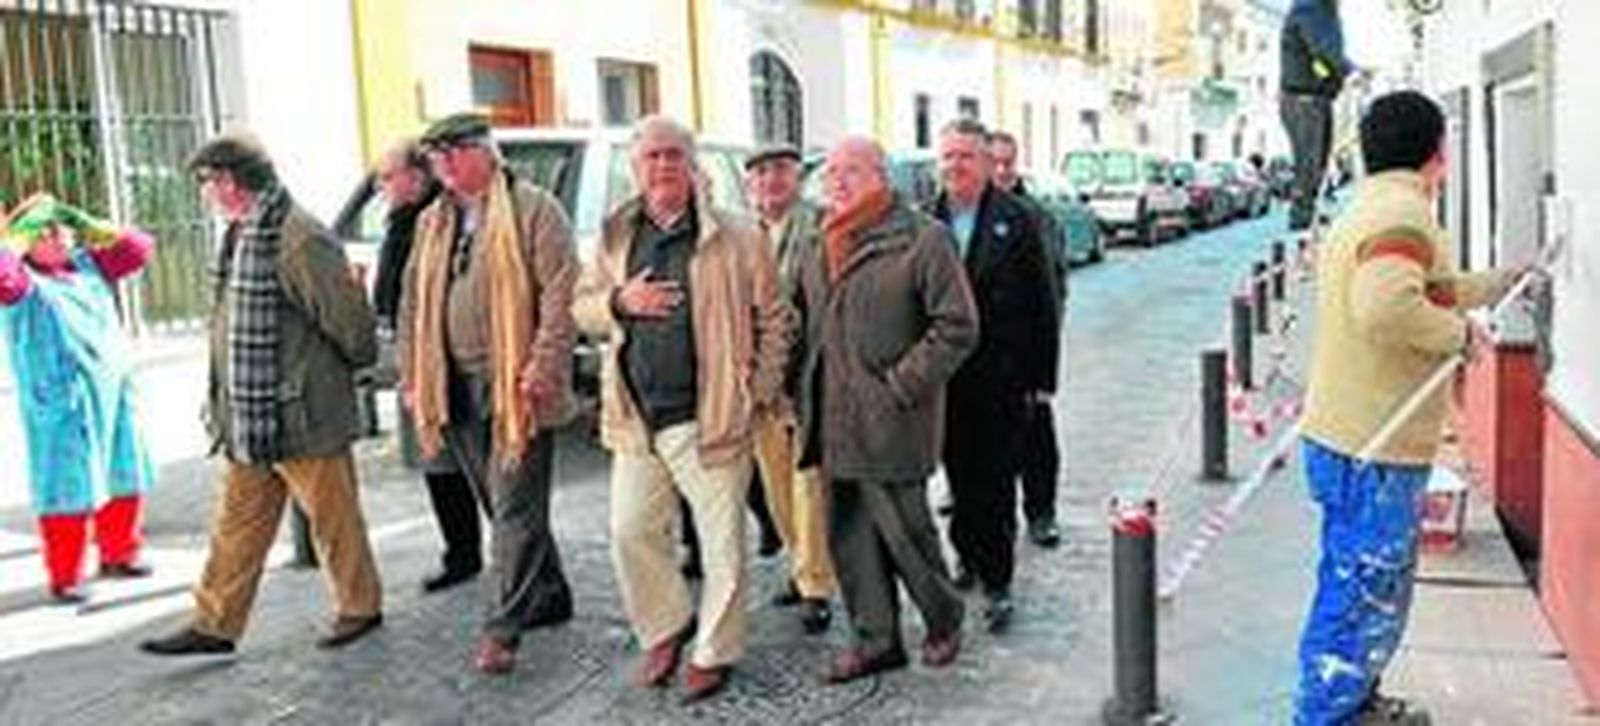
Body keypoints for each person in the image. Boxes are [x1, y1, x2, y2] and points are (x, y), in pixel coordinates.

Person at [1295, 91, 1522, 725]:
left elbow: (1426, 290)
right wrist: (1460, 335)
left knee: (1358, 578)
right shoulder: (1403, 213)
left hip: (1350, 434)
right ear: (1436, 151)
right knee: (1364, 587)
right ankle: (1329, 714)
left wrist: (1500, 282)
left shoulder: (1375, 205)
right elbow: (1387, 307)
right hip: (1375, 443)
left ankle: (1351, 699)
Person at [140, 134, 384, 656]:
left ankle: (360, 606)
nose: (204, 193)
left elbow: (352, 331)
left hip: (302, 413)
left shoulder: (299, 237)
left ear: (229, 181)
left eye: (207, 182)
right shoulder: (243, 232)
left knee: (333, 521)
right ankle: (215, 624)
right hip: (253, 418)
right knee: (237, 525)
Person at [573, 115, 788, 703]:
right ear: (635, 168)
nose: (663, 166)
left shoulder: (740, 235)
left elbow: (775, 322)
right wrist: (620, 300)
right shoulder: (616, 233)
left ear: (692, 165)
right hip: (636, 417)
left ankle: (715, 651)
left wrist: (757, 392)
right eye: (652, 157)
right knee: (629, 530)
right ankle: (665, 625)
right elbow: (581, 307)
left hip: (711, 416)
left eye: (674, 155)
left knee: (722, 545)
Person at [398, 112, 580, 675]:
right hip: (451, 384)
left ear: (486, 151)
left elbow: (559, 294)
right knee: (501, 504)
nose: (444, 166)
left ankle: (502, 629)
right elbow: (410, 304)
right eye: (435, 157)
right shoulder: (433, 219)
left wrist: (543, 365)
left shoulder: (534, 210)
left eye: (455, 152)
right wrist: (412, 373)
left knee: (515, 509)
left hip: (516, 384)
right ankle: (550, 594)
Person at [796, 135, 977, 684]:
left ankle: (944, 619)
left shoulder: (924, 239)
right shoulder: (818, 240)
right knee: (850, 538)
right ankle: (877, 642)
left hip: (894, 418)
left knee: (908, 533)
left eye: (851, 170)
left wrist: (900, 385)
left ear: (882, 176)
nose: (837, 181)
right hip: (833, 417)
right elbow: (807, 323)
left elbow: (958, 326)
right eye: (830, 172)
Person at [928, 120, 1058, 633]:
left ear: (986, 163)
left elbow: (1042, 302)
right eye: (948, 157)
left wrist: (1042, 378)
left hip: (1003, 375)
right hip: (947, 379)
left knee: (998, 482)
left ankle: (999, 581)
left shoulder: (1018, 219)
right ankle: (968, 556)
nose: (956, 165)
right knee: (959, 479)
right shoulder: (926, 220)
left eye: (966, 156)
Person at [0, 195, 157, 604]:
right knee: (66, 488)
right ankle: (65, 574)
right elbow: (3, 278)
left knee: (123, 473)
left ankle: (120, 553)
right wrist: (12, 241)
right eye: (42, 232)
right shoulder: (22, 284)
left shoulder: (89, 265)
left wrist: (87, 220)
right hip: (62, 403)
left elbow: (138, 249)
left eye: (60, 228)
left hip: (112, 392)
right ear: (24, 243)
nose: (55, 236)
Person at [360, 138, 482, 595]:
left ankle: (504, 563)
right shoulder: (403, 219)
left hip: (447, 357)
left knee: (471, 464)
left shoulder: (438, 218)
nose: (381, 186)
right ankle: (461, 554)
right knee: (437, 461)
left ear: (418, 176)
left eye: (388, 176)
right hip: (416, 357)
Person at [742, 141, 838, 634]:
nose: (769, 181)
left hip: (806, 378)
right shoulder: (741, 232)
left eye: (780, 171)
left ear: (798, 177)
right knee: (776, 485)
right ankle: (799, 566)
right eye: (759, 173)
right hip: (759, 383)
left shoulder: (820, 226)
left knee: (808, 487)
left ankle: (816, 585)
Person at [986, 130, 1067, 549]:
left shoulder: (1035, 217)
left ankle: (1041, 511)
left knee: (1036, 438)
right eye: (993, 162)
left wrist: (1044, 360)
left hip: (1024, 351)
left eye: (1008, 163)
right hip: (980, 359)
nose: (1001, 171)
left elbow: (1053, 291)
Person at [1280, 0, 1361, 232]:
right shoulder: (1311, 8)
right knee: (1309, 168)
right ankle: (1303, 229)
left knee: (1317, 167)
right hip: (1304, 100)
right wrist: (1350, 70)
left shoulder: (1322, 9)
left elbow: (1323, 56)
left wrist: (1338, 74)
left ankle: (1310, 224)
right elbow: (1324, 51)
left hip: (1314, 99)